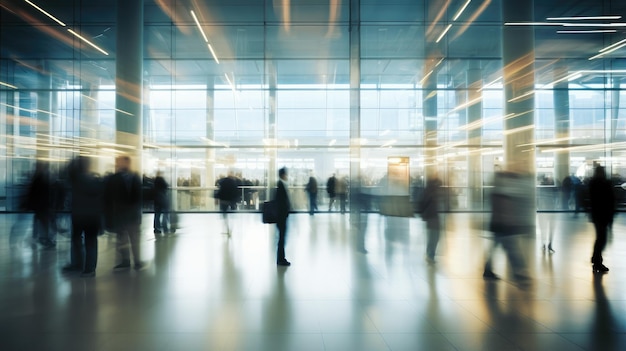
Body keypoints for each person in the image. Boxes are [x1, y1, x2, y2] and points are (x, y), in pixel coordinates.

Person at [483, 169, 533, 285]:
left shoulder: (497, 192)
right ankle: (518, 272)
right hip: (503, 226)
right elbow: (504, 211)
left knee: (500, 248)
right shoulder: (501, 193)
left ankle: (488, 269)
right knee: (512, 249)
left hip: (498, 225)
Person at [62, 157, 103, 277]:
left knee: (77, 240)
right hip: (91, 216)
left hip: (79, 215)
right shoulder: (94, 180)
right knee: (90, 241)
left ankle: (77, 264)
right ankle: (89, 268)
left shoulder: (75, 180)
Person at [104, 155, 144, 271]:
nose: (119, 164)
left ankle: (133, 261)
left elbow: (138, 198)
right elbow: (108, 198)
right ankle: (127, 261)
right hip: (122, 214)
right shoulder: (116, 179)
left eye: (120, 162)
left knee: (131, 238)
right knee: (124, 238)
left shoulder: (132, 178)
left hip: (129, 214)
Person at [589, 166, 615, 273]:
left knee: (600, 237)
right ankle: (597, 261)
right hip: (604, 214)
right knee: (602, 238)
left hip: (597, 214)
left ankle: (596, 260)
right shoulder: (605, 183)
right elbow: (610, 199)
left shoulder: (593, 183)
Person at [419, 173, 442, 264]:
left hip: (432, 215)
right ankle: (430, 255)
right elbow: (425, 203)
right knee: (434, 236)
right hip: (432, 215)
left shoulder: (430, 189)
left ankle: (430, 254)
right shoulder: (431, 190)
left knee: (433, 236)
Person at [275, 167, 291, 266]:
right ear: (283, 175)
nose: (287, 176)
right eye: (286, 174)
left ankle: (281, 258)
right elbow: (281, 202)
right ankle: (281, 259)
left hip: (281, 216)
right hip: (281, 217)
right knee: (281, 238)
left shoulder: (281, 184)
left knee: (282, 238)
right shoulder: (280, 185)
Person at [217, 171, 239, 235]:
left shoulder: (223, 181)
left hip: (223, 200)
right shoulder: (234, 182)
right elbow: (236, 192)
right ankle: (230, 230)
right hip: (231, 201)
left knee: (224, 216)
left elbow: (220, 190)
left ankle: (226, 229)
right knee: (232, 215)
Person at [153, 171, 170, 237]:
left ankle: (156, 228)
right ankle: (165, 227)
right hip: (162, 200)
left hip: (156, 200)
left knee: (157, 214)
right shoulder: (161, 180)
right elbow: (166, 186)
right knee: (165, 213)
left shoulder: (155, 181)